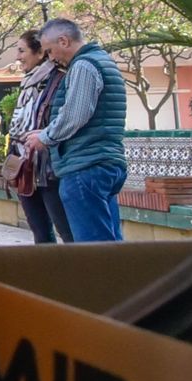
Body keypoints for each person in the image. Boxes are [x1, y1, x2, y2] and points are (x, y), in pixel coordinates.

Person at [21, 18, 127, 242]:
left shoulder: (84, 65)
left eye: (50, 51)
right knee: (111, 245)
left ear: (64, 41)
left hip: (85, 166)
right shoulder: (102, 60)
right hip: (104, 163)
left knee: (91, 248)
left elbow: (75, 115)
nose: (50, 58)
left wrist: (45, 137)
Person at [8, 31, 72, 244]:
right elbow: (18, 124)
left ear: (39, 53)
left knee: (66, 231)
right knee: (40, 233)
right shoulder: (27, 84)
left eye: (21, 50)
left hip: (49, 169)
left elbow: (64, 121)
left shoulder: (59, 79)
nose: (18, 57)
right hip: (25, 166)